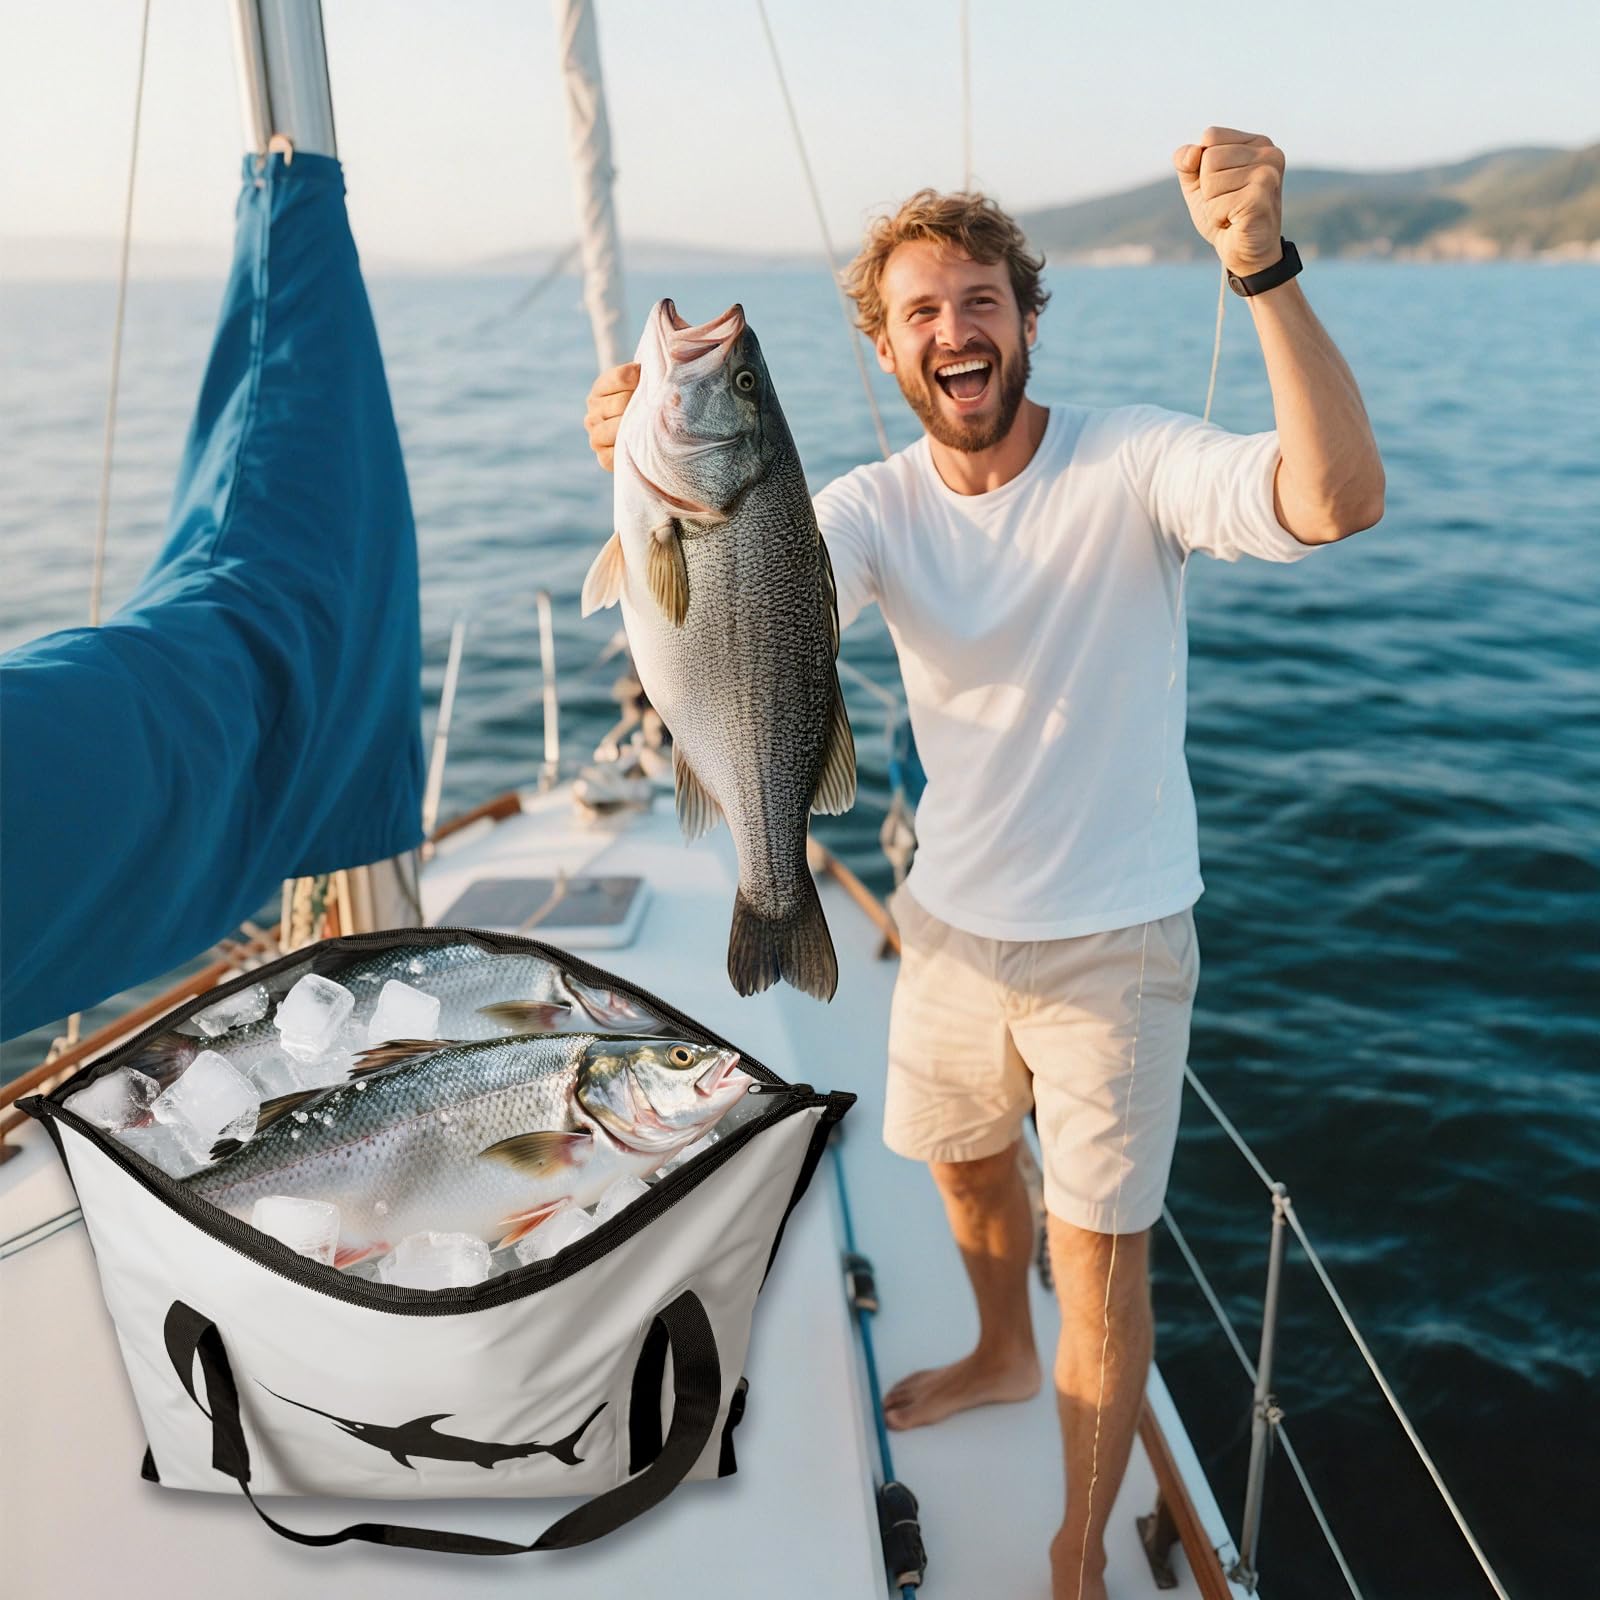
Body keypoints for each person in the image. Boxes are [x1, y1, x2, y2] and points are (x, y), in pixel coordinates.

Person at [583, 128, 1383, 1600]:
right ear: (887, 349)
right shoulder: (867, 508)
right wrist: (632, 492)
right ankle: (1002, 1351)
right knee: (960, 1175)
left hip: (1114, 945)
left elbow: (1336, 500)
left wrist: (1263, 271)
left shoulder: (1131, 458)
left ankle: (1079, 1541)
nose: (955, 330)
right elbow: (741, 619)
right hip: (948, 924)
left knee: (1102, 1261)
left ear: (1024, 319)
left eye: (980, 301)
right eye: (921, 312)